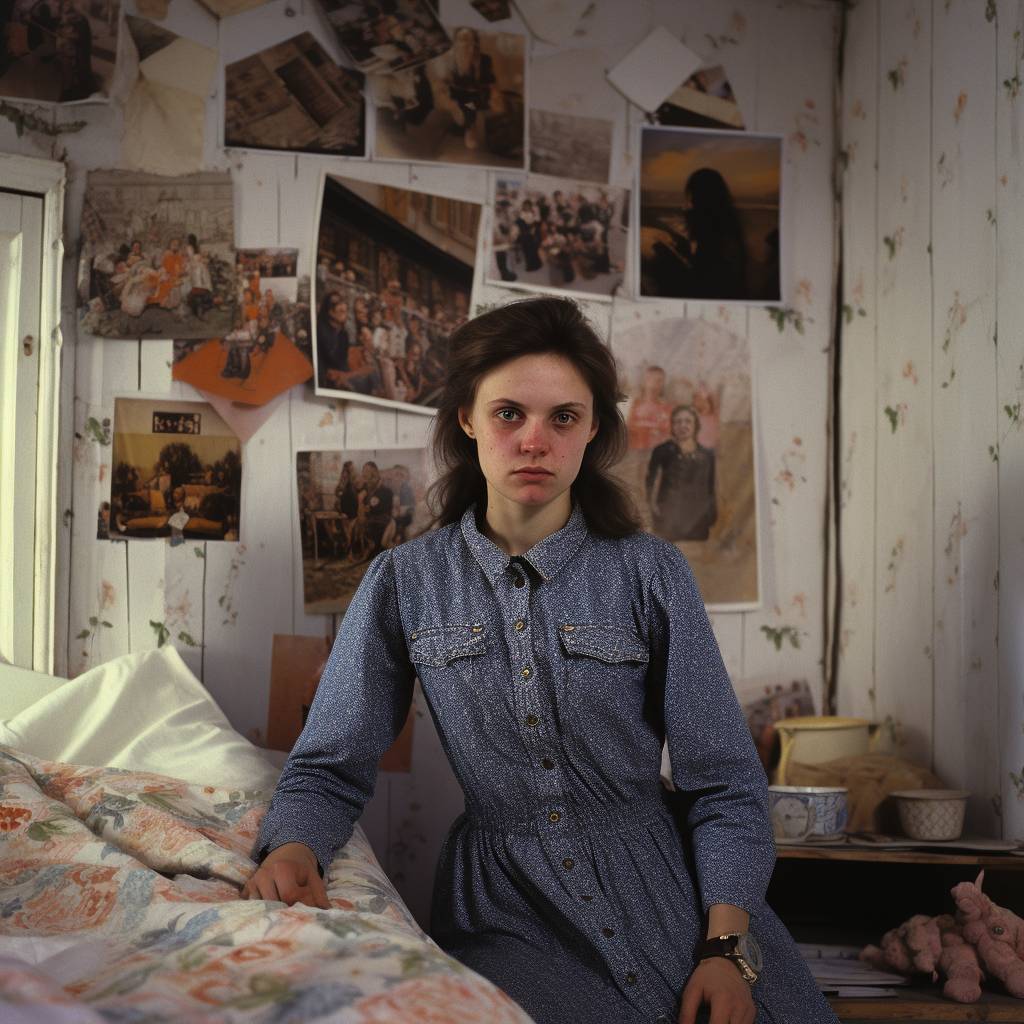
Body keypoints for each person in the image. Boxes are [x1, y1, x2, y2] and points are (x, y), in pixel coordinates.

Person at [243, 297, 836, 1024]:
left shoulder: (652, 573)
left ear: (592, 429)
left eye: (563, 417)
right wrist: (295, 844)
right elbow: (331, 762)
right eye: (508, 414)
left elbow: (725, 786)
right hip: (508, 917)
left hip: (683, 901)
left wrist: (725, 952)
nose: (534, 440)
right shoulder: (403, 582)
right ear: (466, 417)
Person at [646, 404, 718, 542]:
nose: (682, 426)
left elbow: (711, 488)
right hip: (668, 523)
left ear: (695, 425)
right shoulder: (662, 451)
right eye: (678, 422)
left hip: (698, 524)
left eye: (687, 421)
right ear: (672, 426)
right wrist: (653, 509)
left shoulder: (707, 456)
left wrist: (711, 516)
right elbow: (650, 481)